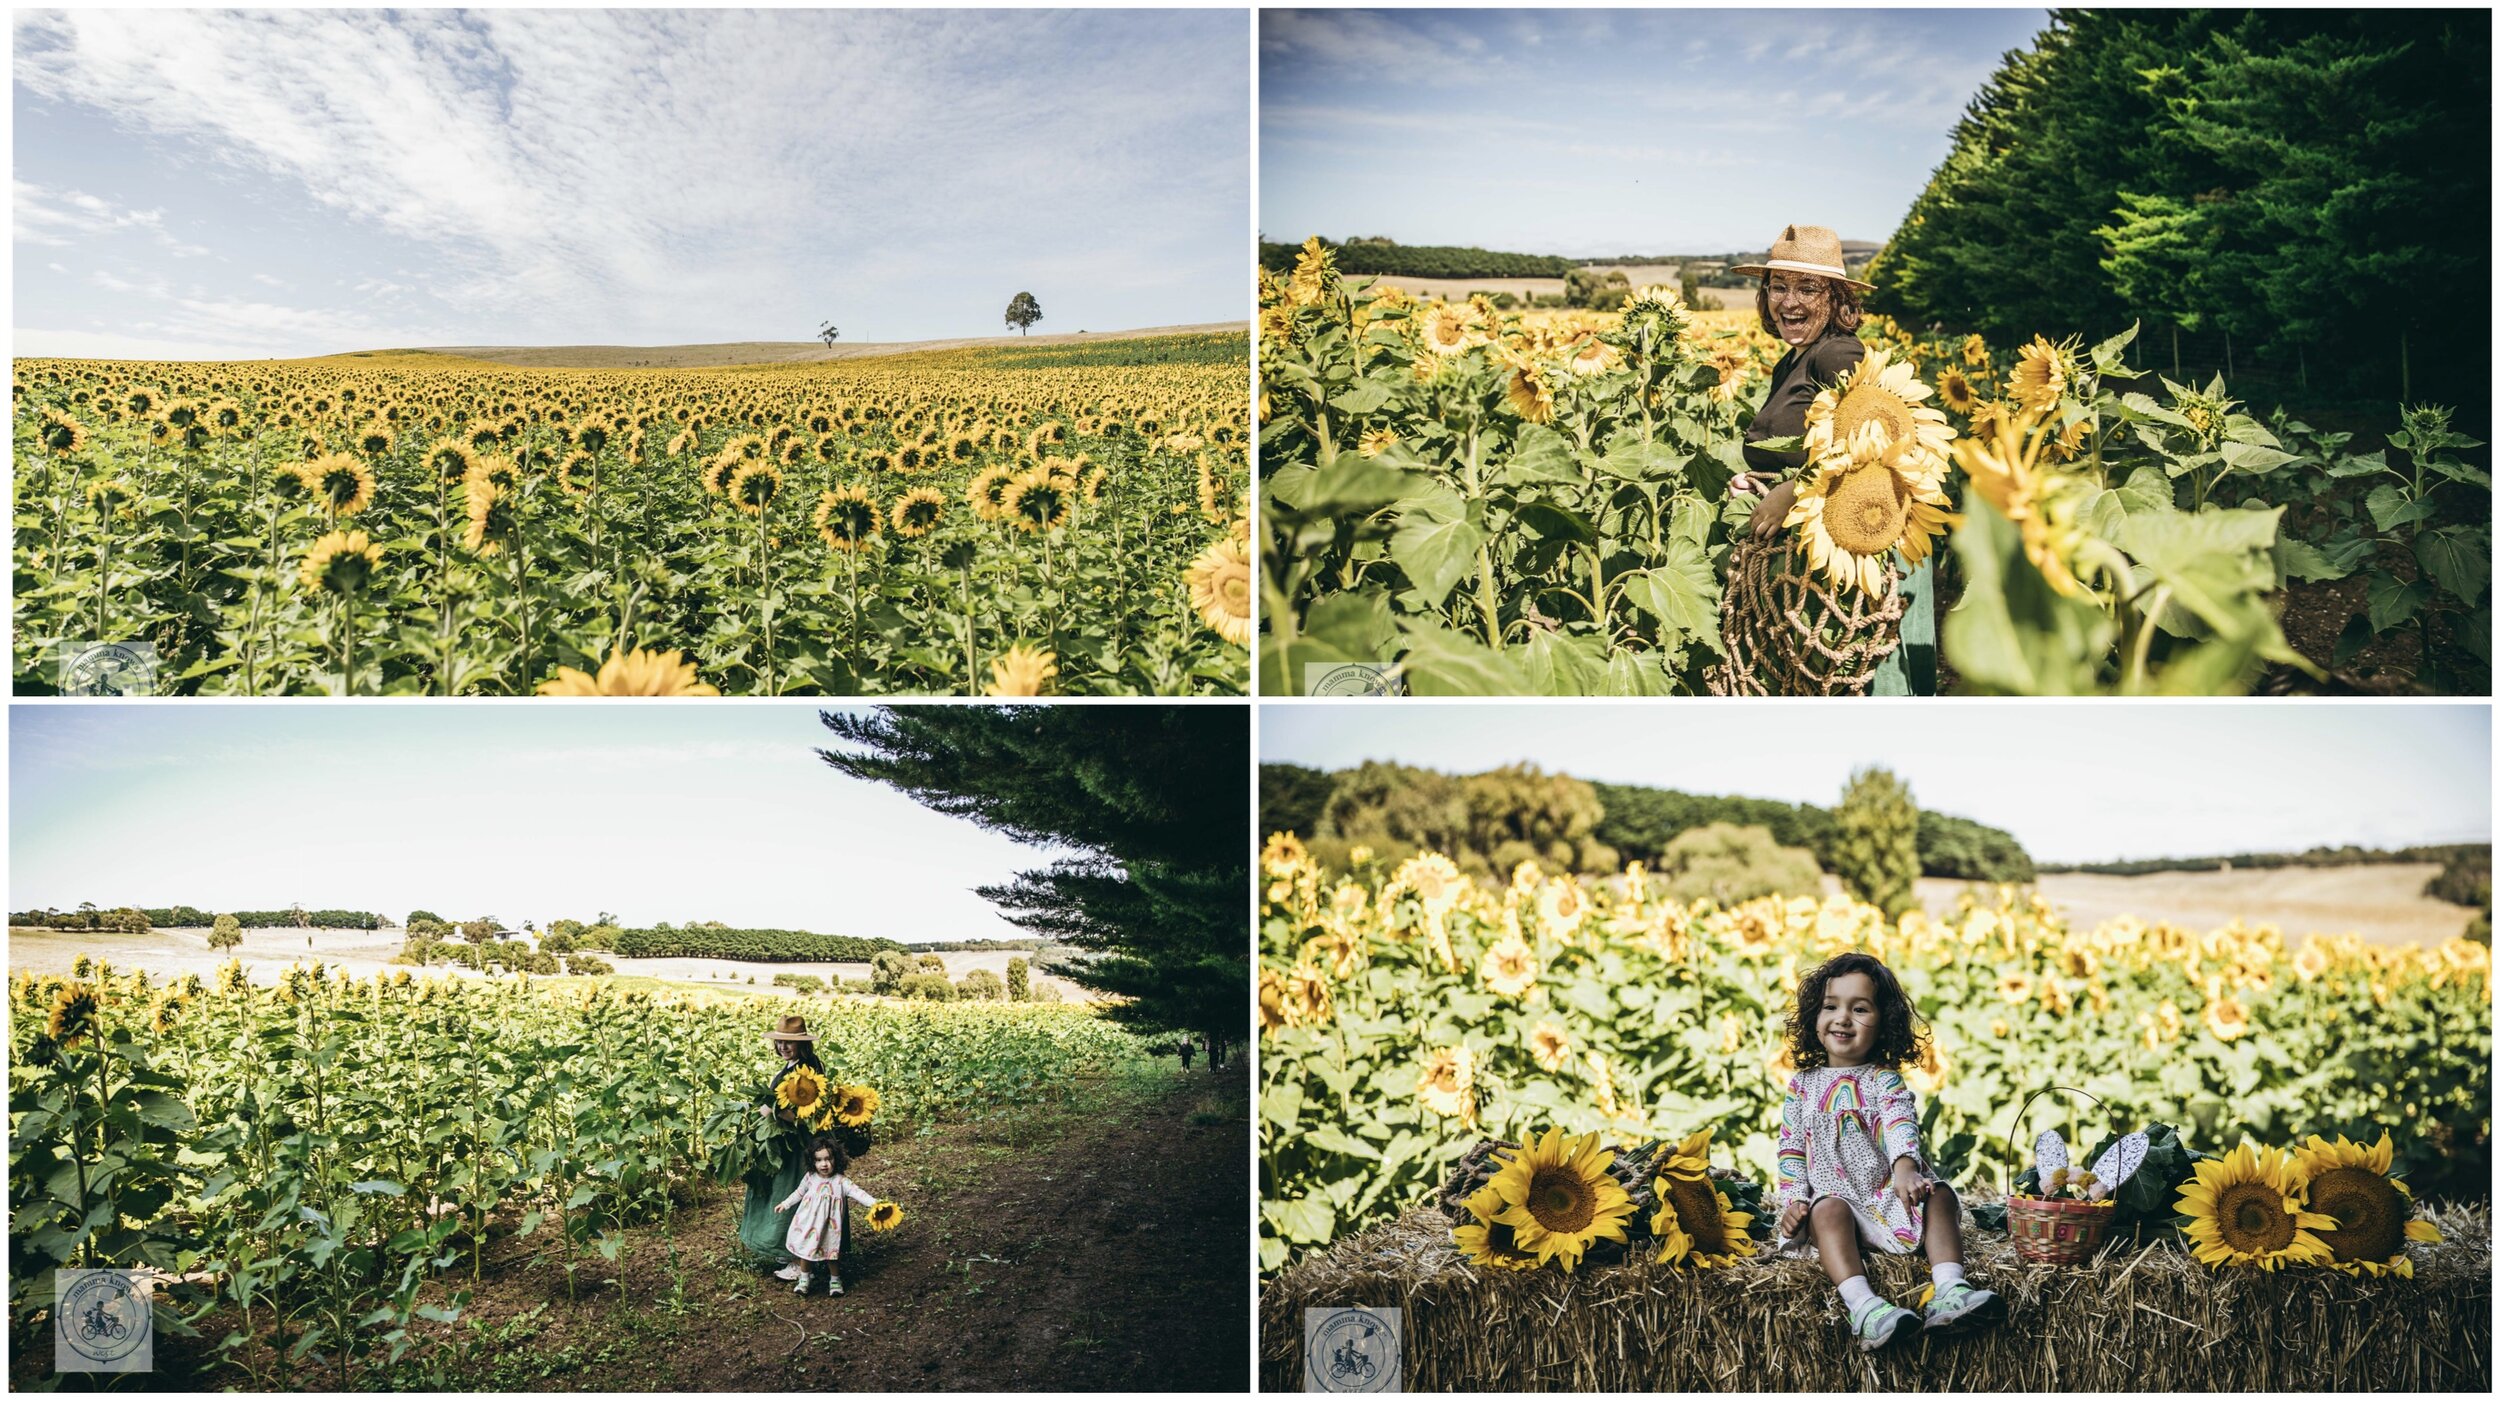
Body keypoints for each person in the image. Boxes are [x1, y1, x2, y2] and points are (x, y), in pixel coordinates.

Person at [1724, 224, 1934, 695]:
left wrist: (1791, 491)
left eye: (1808, 288)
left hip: (1842, 548)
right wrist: (1757, 478)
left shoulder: (1838, 352)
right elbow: (1808, 440)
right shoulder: (1795, 359)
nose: (1788, 301)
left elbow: (1874, 441)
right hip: (1805, 553)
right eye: (1778, 286)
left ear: (1837, 300)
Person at [1770, 952, 2003, 1352]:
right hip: (1835, 1206)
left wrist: (1906, 1171)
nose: (1842, 1018)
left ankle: (1949, 1288)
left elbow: (1899, 1125)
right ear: (1814, 1016)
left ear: (1885, 1024)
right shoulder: (1802, 1086)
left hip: (1888, 1196)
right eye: (1831, 1006)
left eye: (1859, 1009)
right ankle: (1864, 1307)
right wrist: (1795, 1203)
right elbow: (1790, 1149)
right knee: (1827, 1210)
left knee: (1940, 1194)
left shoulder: (1883, 1081)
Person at [740, 1014, 826, 1280]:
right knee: (783, 1195)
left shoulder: (807, 1069)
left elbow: (806, 1112)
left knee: (795, 1197)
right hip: (787, 1144)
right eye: (779, 1042)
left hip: (798, 1146)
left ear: (802, 1044)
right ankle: (787, 1251)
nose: (783, 1047)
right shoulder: (795, 1065)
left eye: (789, 1043)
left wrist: (774, 1114)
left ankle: (800, 1263)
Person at [776, 1135, 878, 1296]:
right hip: (808, 1223)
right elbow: (799, 1192)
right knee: (805, 1250)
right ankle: (804, 1279)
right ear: (813, 1161)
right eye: (819, 1160)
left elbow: (858, 1193)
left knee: (832, 1253)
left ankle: (835, 1280)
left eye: (828, 1159)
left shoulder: (840, 1181)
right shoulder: (810, 1178)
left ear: (836, 1159)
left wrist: (874, 1203)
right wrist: (785, 1203)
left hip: (831, 1226)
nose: (824, 1164)